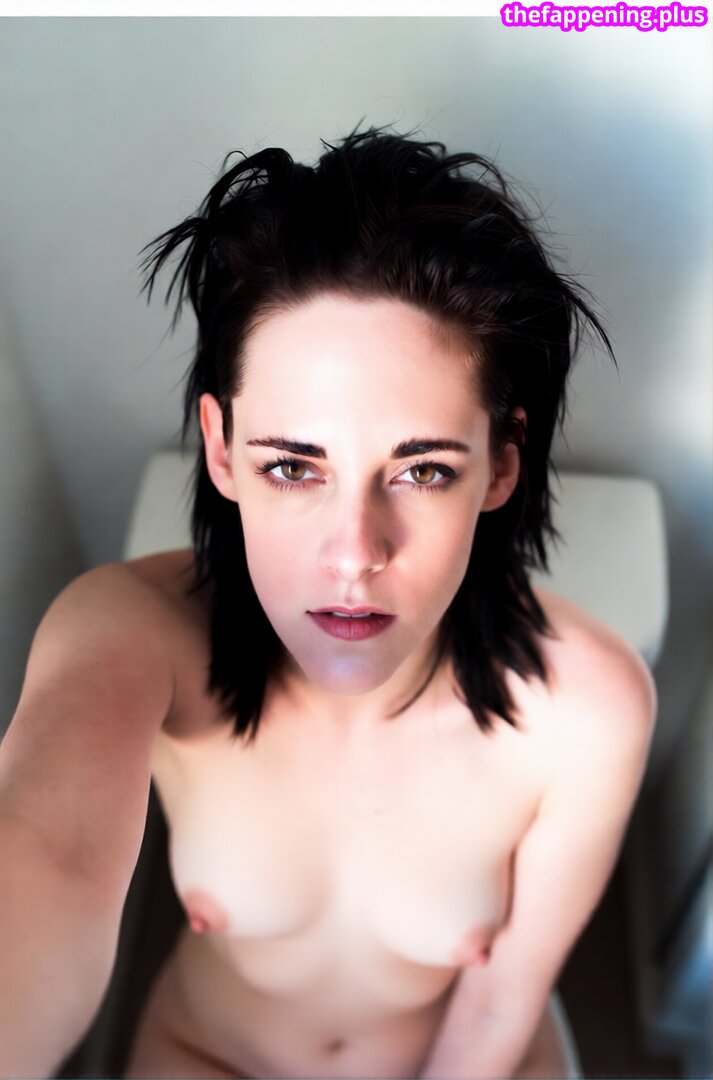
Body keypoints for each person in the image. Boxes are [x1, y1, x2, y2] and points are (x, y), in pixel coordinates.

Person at [0, 128, 656, 1080]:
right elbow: (43, 850)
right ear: (222, 449)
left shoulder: (588, 707)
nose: (354, 556)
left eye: (423, 470)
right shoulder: (130, 633)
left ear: (500, 464)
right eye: (292, 467)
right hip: (209, 1054)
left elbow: (500, 1003)